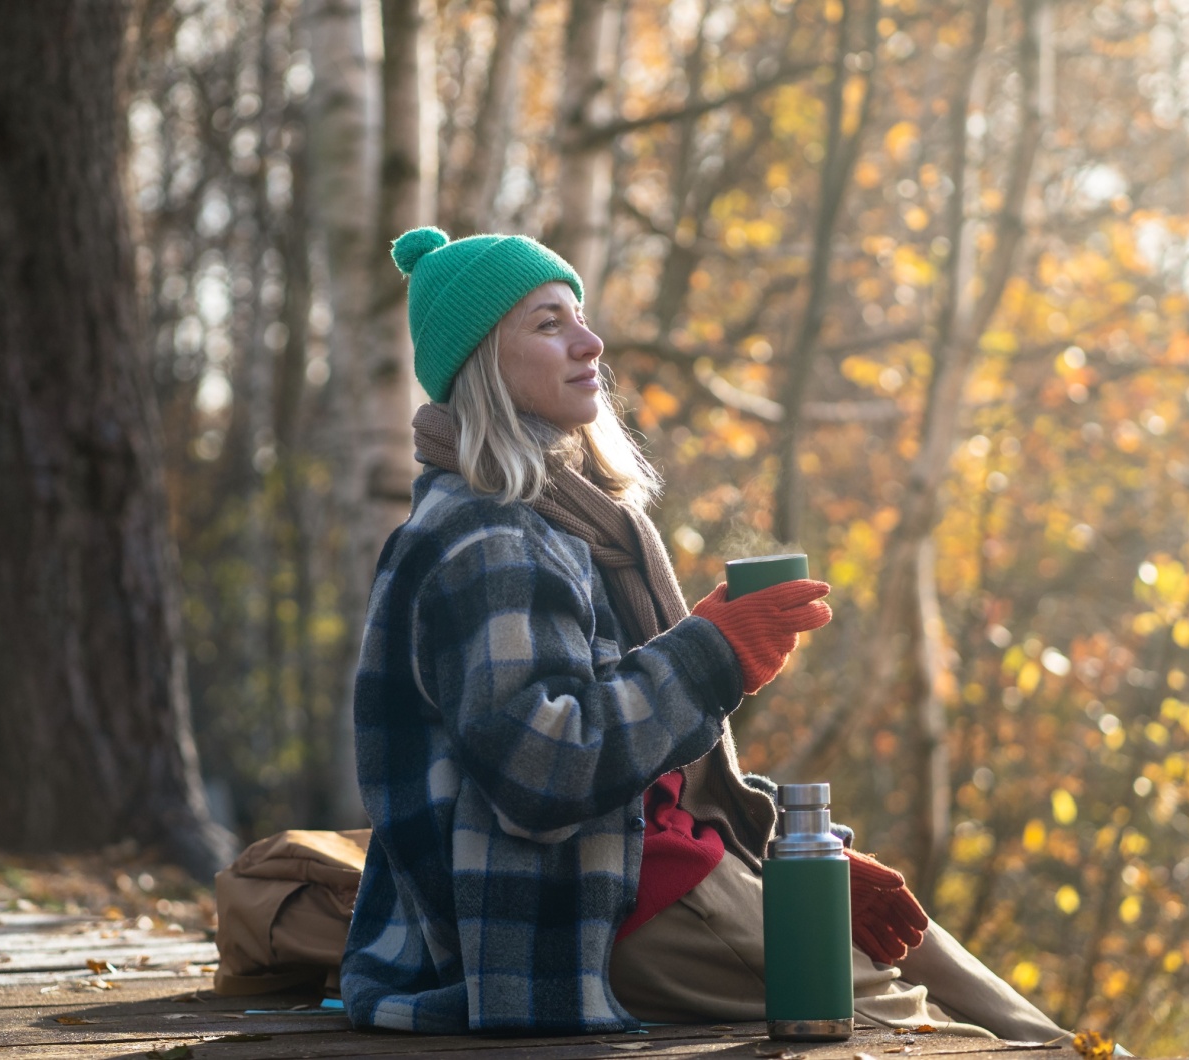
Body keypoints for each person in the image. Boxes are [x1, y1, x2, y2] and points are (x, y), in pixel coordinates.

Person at [339, 226, 1069, 1042]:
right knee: (912, 1025)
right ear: (480, 366)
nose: (590, 341)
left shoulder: (572, 518)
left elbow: (656, 778)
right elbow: (541, 769)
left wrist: (784, 851)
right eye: (548, 324)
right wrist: (711, 653)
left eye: (578, 315)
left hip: (656, 862)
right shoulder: (490, 539)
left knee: (941, 963)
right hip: (582, 914)